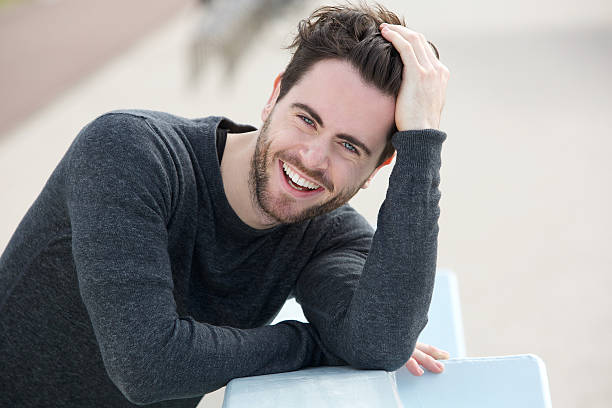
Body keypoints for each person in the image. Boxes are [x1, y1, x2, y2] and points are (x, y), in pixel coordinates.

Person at [0, 3, 450, 407]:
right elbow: (147, 365)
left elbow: (379, 342)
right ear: (274, 96)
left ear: (378, 167)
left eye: (349, 147)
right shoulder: (128, 153)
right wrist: (311, 343)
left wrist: (421, 144)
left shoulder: (327, 235)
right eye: (307, 119)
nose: (313, 159)